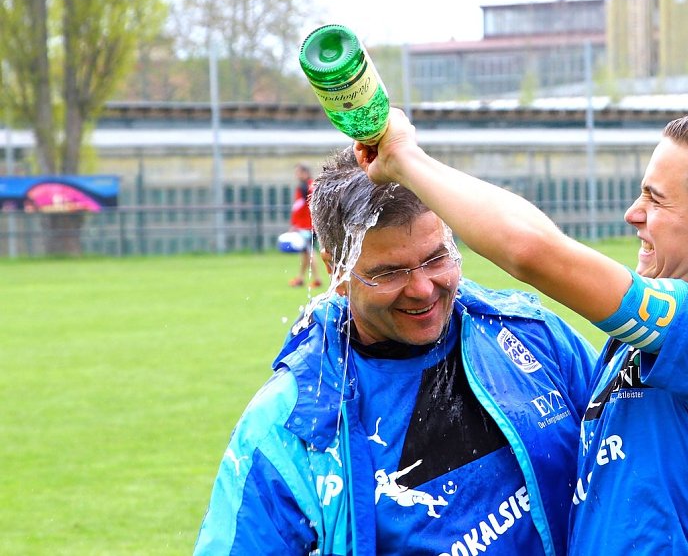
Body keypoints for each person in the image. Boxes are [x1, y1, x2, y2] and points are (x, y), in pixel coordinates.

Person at [355, 109, 688, 554]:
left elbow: (533, 252)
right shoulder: (647, 344)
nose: (634, 213)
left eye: (657, 199)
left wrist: (405, 159)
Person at [193, 147, 598, 555]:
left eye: (435, 258)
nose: (422, 288)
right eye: (388, 273)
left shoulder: (532, 337)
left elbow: (632, 471)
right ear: (337, 271)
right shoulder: (290, 427)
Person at [289, 162, 323, 288]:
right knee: (305, 253)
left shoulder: (306, 187)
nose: (296, 175)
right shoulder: (309, 186)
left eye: (298, 172)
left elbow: (303, 207)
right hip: (307, 225)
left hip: (307, 226)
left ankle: (318, 279)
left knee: (309, 251)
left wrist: (296, 224)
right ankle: (300, 278)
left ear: (305, 173)